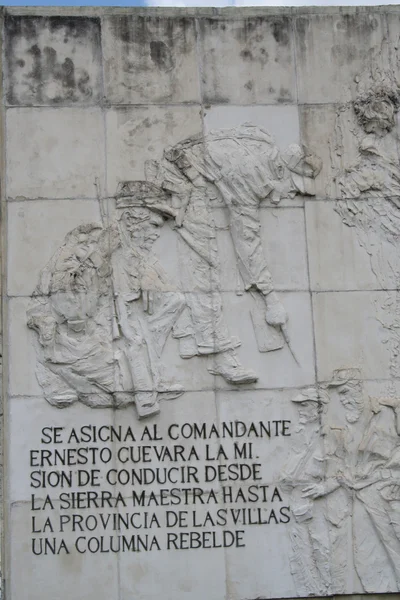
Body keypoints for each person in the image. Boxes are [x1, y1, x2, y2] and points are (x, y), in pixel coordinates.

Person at [281, 387, 332, 596]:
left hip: (319, 498)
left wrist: (324, 488)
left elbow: (344, 468)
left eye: (305, 405)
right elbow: (294, 458)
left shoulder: (331, 434)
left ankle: (327, 586)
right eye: (299, 406)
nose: (300, 410)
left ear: (318, 408)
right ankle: (310, 588)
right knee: (299, 545)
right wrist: (287, 476)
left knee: (321, 544)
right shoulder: (299, 432)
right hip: (297, 496)